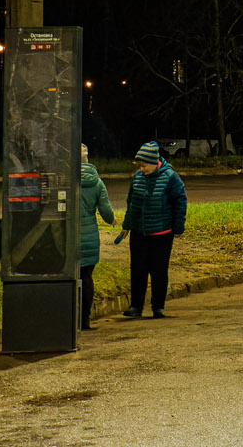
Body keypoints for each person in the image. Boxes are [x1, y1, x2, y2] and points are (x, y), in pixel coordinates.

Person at [119, 140, 187, 319]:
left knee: (158, 270)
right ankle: (136, 306)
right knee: (138, 270)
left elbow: (180, 201)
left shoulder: (171, 177)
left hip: (161, 233)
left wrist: (178, 227)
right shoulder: (137, 178)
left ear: (154, 162)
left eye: (144, 165)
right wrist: (127, 225)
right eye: (139, 166)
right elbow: (131, 203)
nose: (142, 169)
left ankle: (158, 306)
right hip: (139, 232)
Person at [78, 143, 115, 329]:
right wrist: (113, 221)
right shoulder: (97, 182)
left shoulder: (66, 180)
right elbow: (106, 212)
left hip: (67, 238)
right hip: (89, 237)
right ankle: (84, 320)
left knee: (69, 277)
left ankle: (70, 319)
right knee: (86, 277)